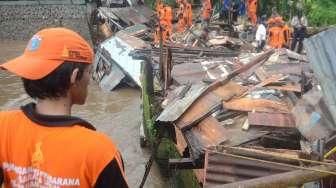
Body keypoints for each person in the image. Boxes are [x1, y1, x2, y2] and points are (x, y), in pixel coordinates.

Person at [0, 28, 128, 188]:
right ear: (74, 77)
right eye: (89, 71)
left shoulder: (3, 126)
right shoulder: (99, 151)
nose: (90, 79)